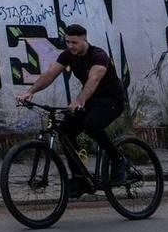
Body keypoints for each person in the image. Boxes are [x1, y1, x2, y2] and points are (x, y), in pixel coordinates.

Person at [16, 23, 129, 192]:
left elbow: (94, 80)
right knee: (65, 131)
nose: (70, 46)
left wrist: (79, 100)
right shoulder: (68, 55)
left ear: (84, 39)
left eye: (74, 42)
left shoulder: (98, 56)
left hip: (112, 100)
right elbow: (50, 74)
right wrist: (30, 92)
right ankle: (80, 177)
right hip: (92, 100)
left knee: (92, 125)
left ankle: (120, 162)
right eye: (67, 42)